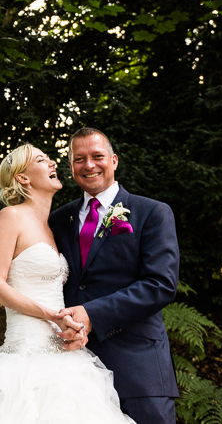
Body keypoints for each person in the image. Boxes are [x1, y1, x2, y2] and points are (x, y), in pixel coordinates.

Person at [0, 144, 134, 424]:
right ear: (22, 177)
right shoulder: (11, 217)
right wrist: (53, 316)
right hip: (24, 358)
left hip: (66, 359)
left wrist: (74, 325)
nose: (52, 162)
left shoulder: (53, 227)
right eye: (42, 160)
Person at [49, 127, 179, 424]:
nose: (89, 165)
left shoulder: (152, 213)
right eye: (79, 159)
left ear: (114, 160)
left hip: (137, 365)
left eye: (97, 156)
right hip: (70, 367)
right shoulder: (58, 220)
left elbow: (160, 285)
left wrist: (91, 314)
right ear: (71, 167)